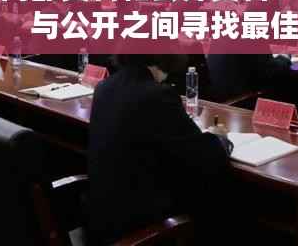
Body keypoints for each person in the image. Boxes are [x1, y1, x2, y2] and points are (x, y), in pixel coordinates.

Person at [87, 54, 234, 246]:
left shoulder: (104, 87)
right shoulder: (156, 95)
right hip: (141, 227)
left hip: (103, 220)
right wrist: (220, 138)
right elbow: (205, 157)